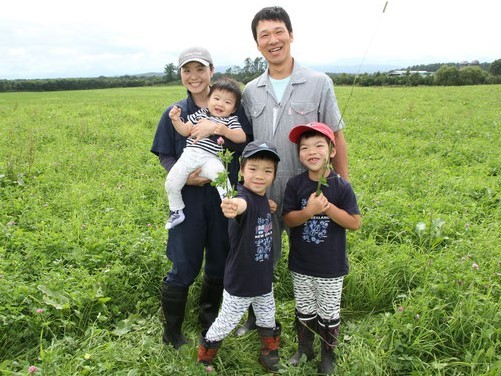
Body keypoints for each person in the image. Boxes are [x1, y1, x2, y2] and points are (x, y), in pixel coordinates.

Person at [237, 5, 350, 336]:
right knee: (260, 259)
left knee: (313, 260)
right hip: (262, 194)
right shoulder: (250, 90)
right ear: (257, 44)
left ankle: (318, 321)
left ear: (290, 35)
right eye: (264, 35)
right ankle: (257, 318)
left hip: (308, 195)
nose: (272, 40)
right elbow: (242, 141)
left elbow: (337, 135)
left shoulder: (318, 83)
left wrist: (341, 186)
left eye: (278, 32)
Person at [150, 46, 251, 350]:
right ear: (180, 74)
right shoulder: (176, 111)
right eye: (186, 70)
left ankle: (209, 322)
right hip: (190, 198)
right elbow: (166, 153)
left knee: (219, 261)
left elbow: (245, 146)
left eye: (199, 69)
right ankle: (172, 331)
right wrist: (186, 176)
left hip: (222, 199)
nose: (193, 76)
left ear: (211, 71)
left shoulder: (233, 109)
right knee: (184, 262)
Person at [197, 140, 282, 373]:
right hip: (241, 282)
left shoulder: (263, 198)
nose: (259, 176)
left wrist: (269, 205)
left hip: (263, 279)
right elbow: (240, 204)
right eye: (253, 169)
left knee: (267, 316)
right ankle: (204, 357)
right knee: (225, 322)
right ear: (242, 171)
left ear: (274, 175)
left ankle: (269, 352)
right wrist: (232, 206)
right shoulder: (242, 197)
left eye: (267, 171)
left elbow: (259, 204)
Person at [283, 122, 361, 374]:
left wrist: (327, 208)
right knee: (304, 308)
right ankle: (304, 348)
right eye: (304, 147)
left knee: (328, 312)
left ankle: (328, 354)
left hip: (331, 266)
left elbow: (354, 223)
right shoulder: (295, 185)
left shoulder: (341, 187)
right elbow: (289, 219)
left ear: (332, 151)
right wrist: (309, 211)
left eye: (319, 145)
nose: (311, 151)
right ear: (299, 155)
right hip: (301, 263)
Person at [165, 77, 246, 229]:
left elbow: (241, 137)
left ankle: (229, 203)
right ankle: (176, 210)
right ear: (209, 99)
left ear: (234, 108)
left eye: (228, 102)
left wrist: (224, 130)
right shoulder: (200, 114)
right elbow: (185, 130)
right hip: (189, 155)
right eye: (216, 98)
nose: (220, 104)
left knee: (221, 175)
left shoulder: (230, 120)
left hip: (211, 158)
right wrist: (176, 120)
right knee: (171, 181)